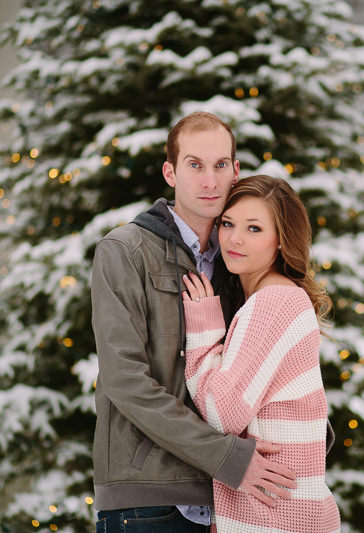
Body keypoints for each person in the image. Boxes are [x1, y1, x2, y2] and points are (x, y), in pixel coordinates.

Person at [90, 113, 297, 533]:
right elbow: (124, 380)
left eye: (221, 165)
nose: (210, 181)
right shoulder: (124, 251)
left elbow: (266, 367)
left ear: (236, 171)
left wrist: (296, 439)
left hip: (234, 505)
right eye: (195, 165)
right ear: (171, 171)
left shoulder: (240, 258)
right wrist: (224, 456)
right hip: (150, 504)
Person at [181, 175, 341, 532]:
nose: (234, 239)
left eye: (254, 228)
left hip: (272, 517)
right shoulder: (281, 297)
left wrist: (204, 330)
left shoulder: (272, 302)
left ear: (281, 240)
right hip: (281, 511)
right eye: (228, 223)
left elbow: (223, 414)